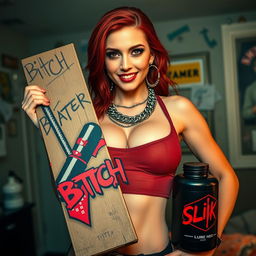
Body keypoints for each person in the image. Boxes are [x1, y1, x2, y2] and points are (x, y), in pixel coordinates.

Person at [22, 6, 239, 256]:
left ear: (151, 56)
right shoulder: (84, 116)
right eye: (113, 54)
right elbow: (68, 191)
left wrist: (206, 246)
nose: (125, 65)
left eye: (136, 51)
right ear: (102, 60)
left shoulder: (179, 109)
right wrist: (48, 131)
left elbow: (226, 177)